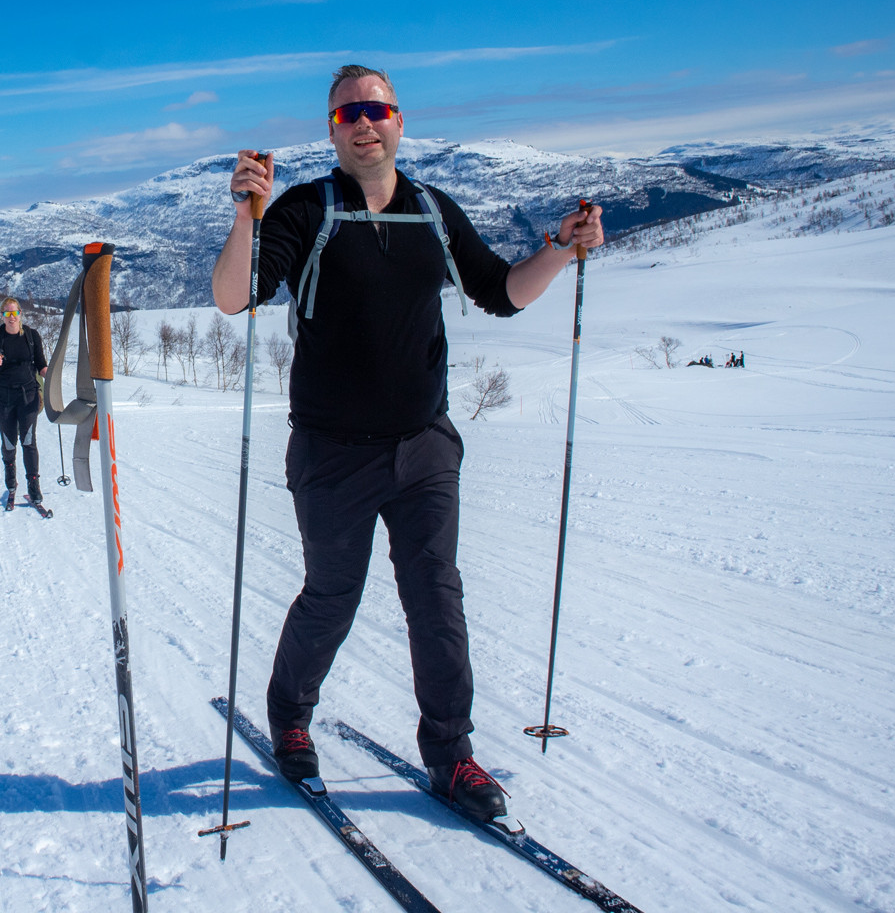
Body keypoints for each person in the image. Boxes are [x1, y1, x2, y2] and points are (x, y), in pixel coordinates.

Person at [211, 63, 603, 822]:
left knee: (436, 596)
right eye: (346, 113)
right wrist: (245, 216)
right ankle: (290, 715)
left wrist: (560, 248)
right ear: (332, 130)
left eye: (376, 109)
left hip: (424, 446)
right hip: (331, 452)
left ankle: (451, 756)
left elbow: (500, 291)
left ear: (398, 119)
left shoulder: (431, 208)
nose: (363, 122)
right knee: (333, 594)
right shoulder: (304, 209)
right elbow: (234, 297)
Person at [0, 297, 49, 508]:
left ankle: (34, 487)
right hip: (4, 398)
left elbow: (41, 365)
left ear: (20, 313)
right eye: (7, 314)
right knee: (9, 443)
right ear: (2, 316)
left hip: (28, 396)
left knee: (29, 442)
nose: (11, 318)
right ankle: (11, 482)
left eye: (14, 313)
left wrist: (51, 373)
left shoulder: (31, 335)